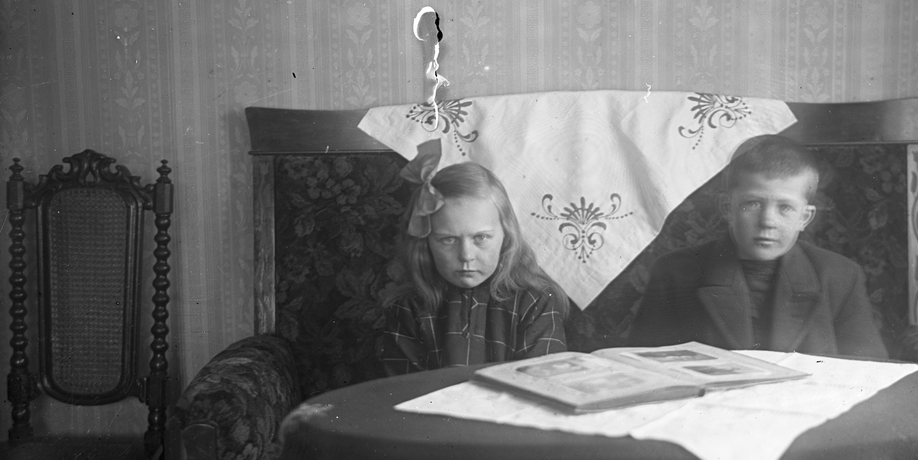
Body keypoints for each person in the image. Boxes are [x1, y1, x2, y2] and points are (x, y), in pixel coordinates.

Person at [631, 134, 887, 358]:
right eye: (752, 204)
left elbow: (870, 374)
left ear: (805, 217)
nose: (767, 221)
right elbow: (646, 369)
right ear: (727, 208)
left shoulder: (840, 276)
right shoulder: (675, 273)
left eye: (785, 208)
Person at [376, 148, 569, 375]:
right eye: (448, 239)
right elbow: (404, 389)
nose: (466, 255)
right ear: (425, 242)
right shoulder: (408, 307)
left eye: (481, 238)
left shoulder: (535, 300)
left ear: (506, 236)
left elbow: (543, 383)